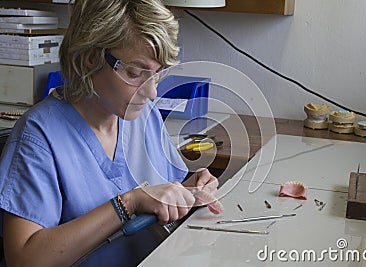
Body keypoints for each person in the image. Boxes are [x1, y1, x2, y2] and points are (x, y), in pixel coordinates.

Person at [0, 0, 218, 265]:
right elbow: (24, 259)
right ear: (90, 57)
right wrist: (128, 203)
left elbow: (160, 195)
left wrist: (187, 193)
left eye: (157, 75)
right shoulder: (39, 137)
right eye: (135, 73)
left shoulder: (142, 116)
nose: (151, 93)